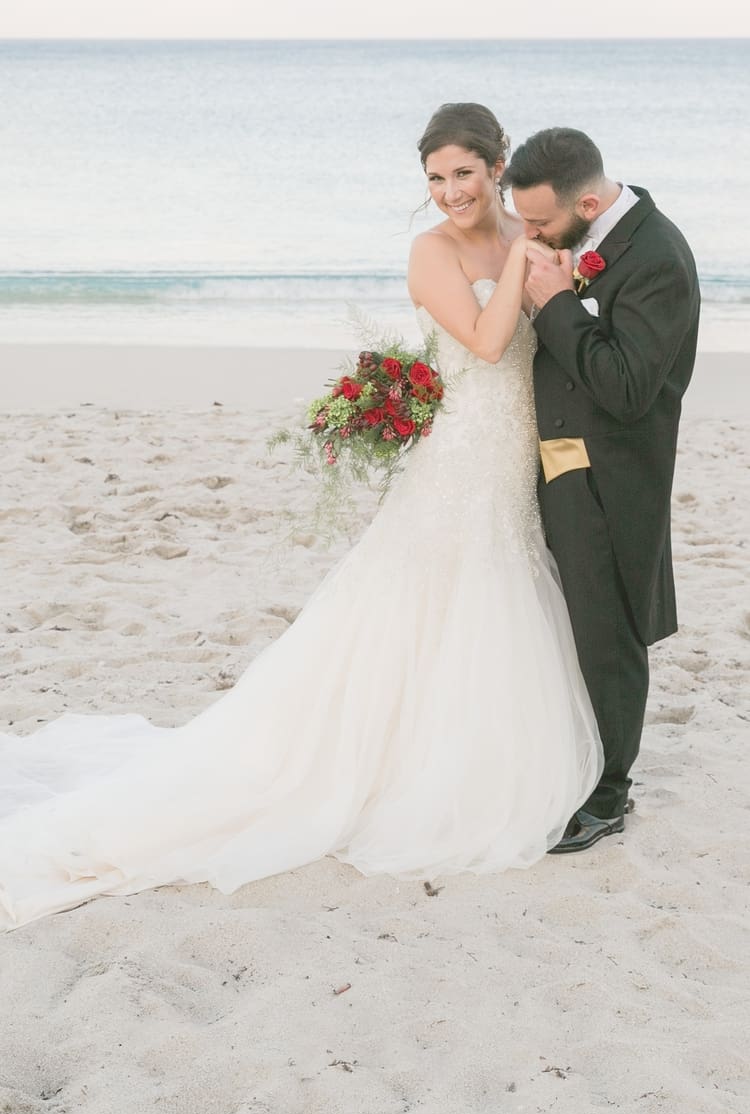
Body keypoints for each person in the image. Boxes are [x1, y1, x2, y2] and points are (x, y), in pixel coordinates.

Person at [0, 104, 602, 932]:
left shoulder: (532, 233)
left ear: (499, 165)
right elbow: (492, 344)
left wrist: (544, 262)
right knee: (426, 591)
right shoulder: (430, 253)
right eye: (434, 178)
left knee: (496, 589)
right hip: (462, 452)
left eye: (463, 173)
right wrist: (535, 266)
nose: (449, 192)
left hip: (516, 449)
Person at [503, 128, 700, 852]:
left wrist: (557, 302)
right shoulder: (580, 230)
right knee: (560, 619)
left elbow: (625, 389)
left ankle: (609, 794)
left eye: (540, 224)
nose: (528, 235)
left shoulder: (659, 259)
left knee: (608, 629)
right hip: (552, 458)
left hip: (610, 476)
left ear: (587, 202)